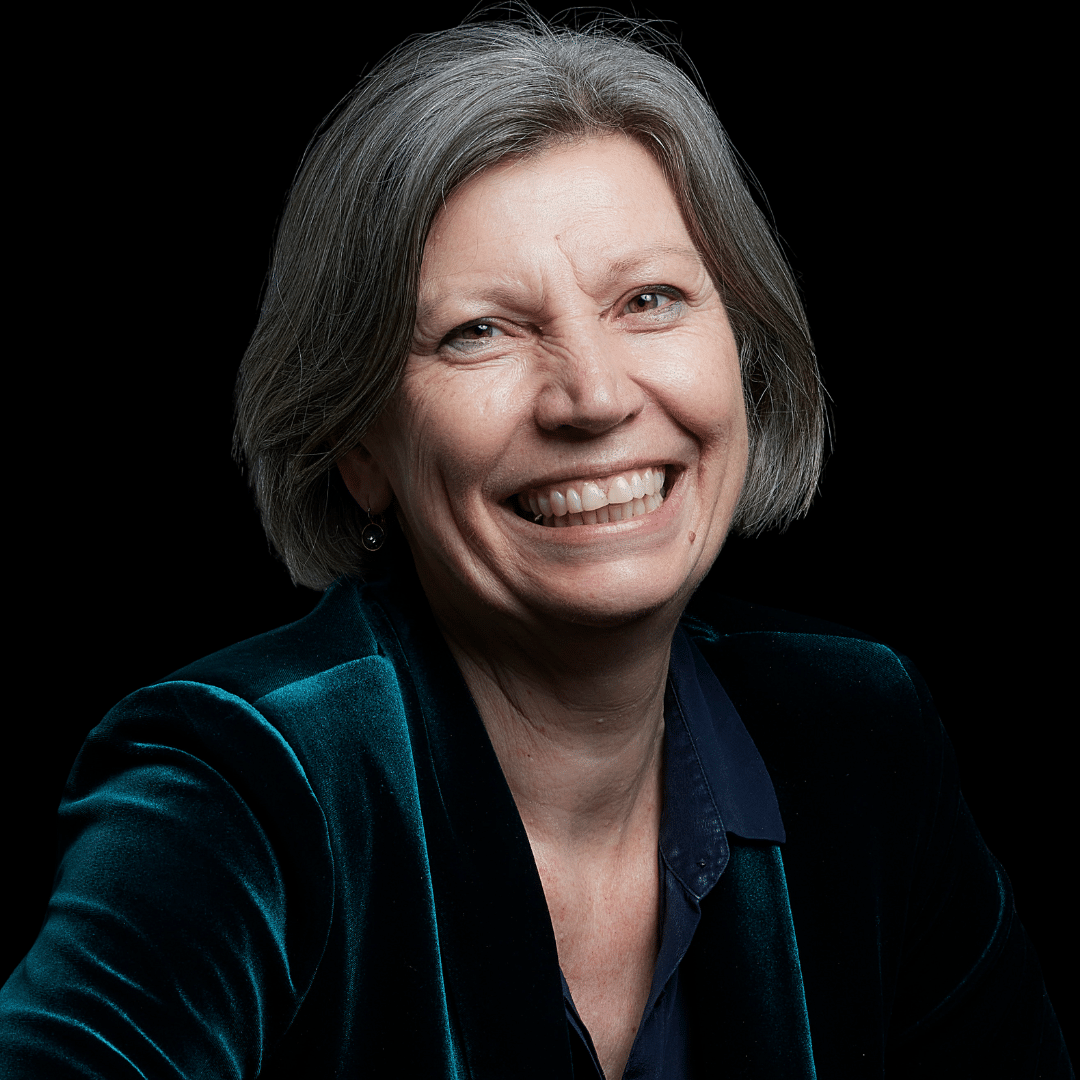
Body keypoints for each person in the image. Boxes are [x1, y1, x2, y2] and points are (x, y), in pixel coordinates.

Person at [1, 11, 1070, 1079]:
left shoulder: (857, 732)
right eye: (481, 331)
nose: (594, 397)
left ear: (742, 355)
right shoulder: (240, 785)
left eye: (649, 300)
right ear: (358, 446)